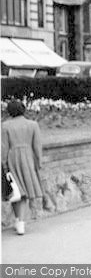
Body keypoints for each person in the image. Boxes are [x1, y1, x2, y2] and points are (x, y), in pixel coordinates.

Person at [1, 100, 44, 235]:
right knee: (23, 192)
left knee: (15, 190)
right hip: (28, 158)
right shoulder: (33, 125)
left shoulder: (5, 126)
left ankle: (19, 221)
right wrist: (39, 161)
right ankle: (20, 221)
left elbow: (3, 147)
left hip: (12, 158)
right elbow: (37, 146)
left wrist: (3, 163)